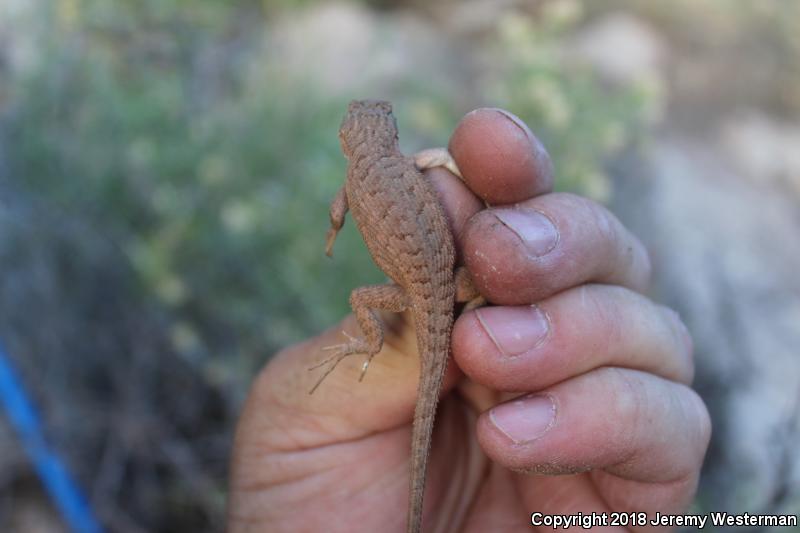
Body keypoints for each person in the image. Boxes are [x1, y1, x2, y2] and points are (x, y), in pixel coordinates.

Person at [226, 108, 711, 532]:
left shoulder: (351, 183)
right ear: (388, 136)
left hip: (411, 292)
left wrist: (332, 236)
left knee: (367, 294)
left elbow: (336, 214)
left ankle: (370, 344)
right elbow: (437, 163)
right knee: (496, 274)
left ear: (345, 140)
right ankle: (490, 319)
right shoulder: (407, 163)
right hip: (451, 283)